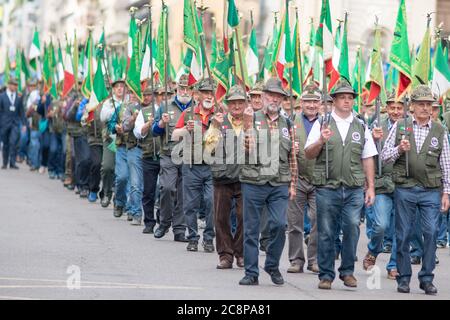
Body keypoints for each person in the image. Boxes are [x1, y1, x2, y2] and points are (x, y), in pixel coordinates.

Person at [304, 80, 377, 290]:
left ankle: (347, 272)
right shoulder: (322, 122)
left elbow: (368, 157)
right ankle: (326, 275)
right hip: (327, 187)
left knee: (352, 227)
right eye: (342, 97)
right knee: (326, 231)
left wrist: (370, 187)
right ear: (333, 100)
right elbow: (309, 153)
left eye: (350, 98)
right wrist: (320, 141)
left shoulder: (361, 125)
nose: (347, 101)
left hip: (353, 187)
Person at [381, 85, 450, 295]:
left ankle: (426, 278)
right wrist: (399, 149)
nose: (425, 108)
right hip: (405, 188)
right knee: (403, 234)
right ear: (412, 106)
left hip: (430, 190)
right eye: (421, 104)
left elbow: (446, 164)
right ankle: (403, 277)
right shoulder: (401, 126)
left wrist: (447, 192)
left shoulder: (440, 130)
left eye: (429, 104)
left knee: (430, 233)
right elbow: (384, 156)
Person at [238, 78, 297, 286]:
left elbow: (292, 156)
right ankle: (251, 272)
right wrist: (246, 127)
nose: (274, 99)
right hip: (254, 181)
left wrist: (293, 183)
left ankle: (271, 264)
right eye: (270, 95)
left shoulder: (287, 123)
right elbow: (246, 149)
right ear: (262, 97)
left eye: (278, 96)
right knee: (252, 229)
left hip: (279, 182)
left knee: (279, 225)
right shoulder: (250, 118)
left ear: (282, 99)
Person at [203, 85, 246, 267]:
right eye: (233, 102)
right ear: (227, 104)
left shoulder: (251, 121)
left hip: (245, 177)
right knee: (221, 218)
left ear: (245, 103)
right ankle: (225, 255)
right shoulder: (218, 122)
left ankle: (241, 252)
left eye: (240, 102)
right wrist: (214, 127)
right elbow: (208, 148)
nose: (236, 106)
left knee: (245, 216)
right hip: (222, 177)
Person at [172, 78, 216, 252]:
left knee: (211, 202)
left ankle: (209, 238)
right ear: (197, 95)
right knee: (190, 205)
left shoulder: (219, 113)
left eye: (211, 93)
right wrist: (186, 130)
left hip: (212, 166)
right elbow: (175, 135)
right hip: (191, 166)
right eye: (205, 92)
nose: (208, 96)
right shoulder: (188, 114)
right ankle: (192, 238)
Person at [363, 91, 401, 280]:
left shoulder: (410, 126)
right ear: (386, 107)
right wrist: (371, 136)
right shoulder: (376, 124)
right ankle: (372, 251)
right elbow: (364, 150)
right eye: (392, 107)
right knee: (380, 225)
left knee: (399, 229)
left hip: (403, 184)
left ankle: (393, 265)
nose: (396, 111)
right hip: (382, 184)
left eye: (399, 107)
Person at [152, 74, 191, 242]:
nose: (184, 91)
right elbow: (154, 131)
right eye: (181, 88)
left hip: (189, 156)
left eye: (187, 88)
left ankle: (179, 229)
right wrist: (161, 123)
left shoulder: (196, 108)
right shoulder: (165, 106)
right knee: (167, 188)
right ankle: (164, 222)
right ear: (176, 89)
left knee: (183, 194)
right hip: (169, 154)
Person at [287, 84, 321, 274]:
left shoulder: (326, 122)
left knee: (318, 221)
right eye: (307, 101)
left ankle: (314, 259)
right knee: (294, 223)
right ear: (301, 103)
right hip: (297, 178)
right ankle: (296, 259)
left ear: (320, 104)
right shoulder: (290, 121)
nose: (311, 105)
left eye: (315, 101)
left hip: (318, 180)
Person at [101, 79, 131, 218]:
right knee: (107, 167)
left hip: (125, 143)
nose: (119, 89)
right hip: (110, 140)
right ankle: (106, 192)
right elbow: (103, 117)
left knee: (123, 175)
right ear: (113, 89)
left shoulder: (130, 102)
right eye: (117, 87)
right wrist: (116, 109)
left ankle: (121, 202)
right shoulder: (109, 103)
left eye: (122, 87)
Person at [134, 86, 161, 234]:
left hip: (165, 155)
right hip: (149, 155)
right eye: (159, 94)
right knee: (149, 190)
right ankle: (149, 221)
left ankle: (162, 218)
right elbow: (138, 133)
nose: (161, 96)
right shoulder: (145, 112)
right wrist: (148, 124)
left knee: (165, 189)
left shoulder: (169, 109)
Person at [0, 78, 24, 169]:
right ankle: (5, 163)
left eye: (16, 85)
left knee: (13, 142)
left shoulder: (18, 97)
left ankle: (12, 162)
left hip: (15, 123)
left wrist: (24, 123)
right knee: (5, 143)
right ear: (9, 85)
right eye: (13, 84)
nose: (15, 86)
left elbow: (21, 111)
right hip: (4, 123)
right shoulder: (2, 96)